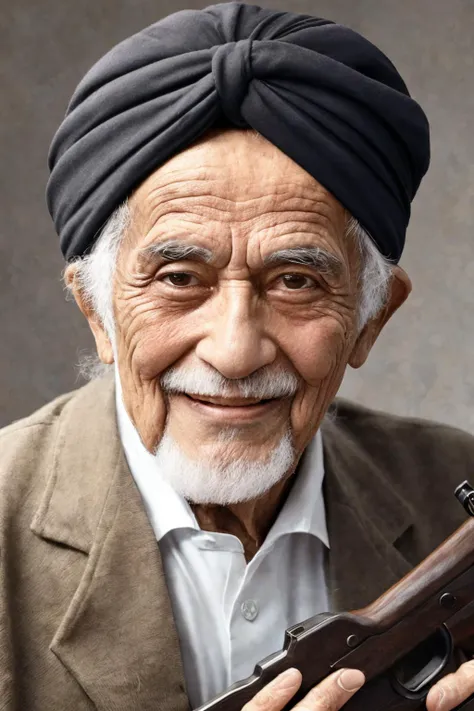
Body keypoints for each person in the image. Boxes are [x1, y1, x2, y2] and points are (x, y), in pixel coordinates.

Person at [1, 4, 473, 711]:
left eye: (296, 281)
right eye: (179, 278)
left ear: (372, 318)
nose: (234, 350)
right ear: (96, 310)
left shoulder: (452, 486)